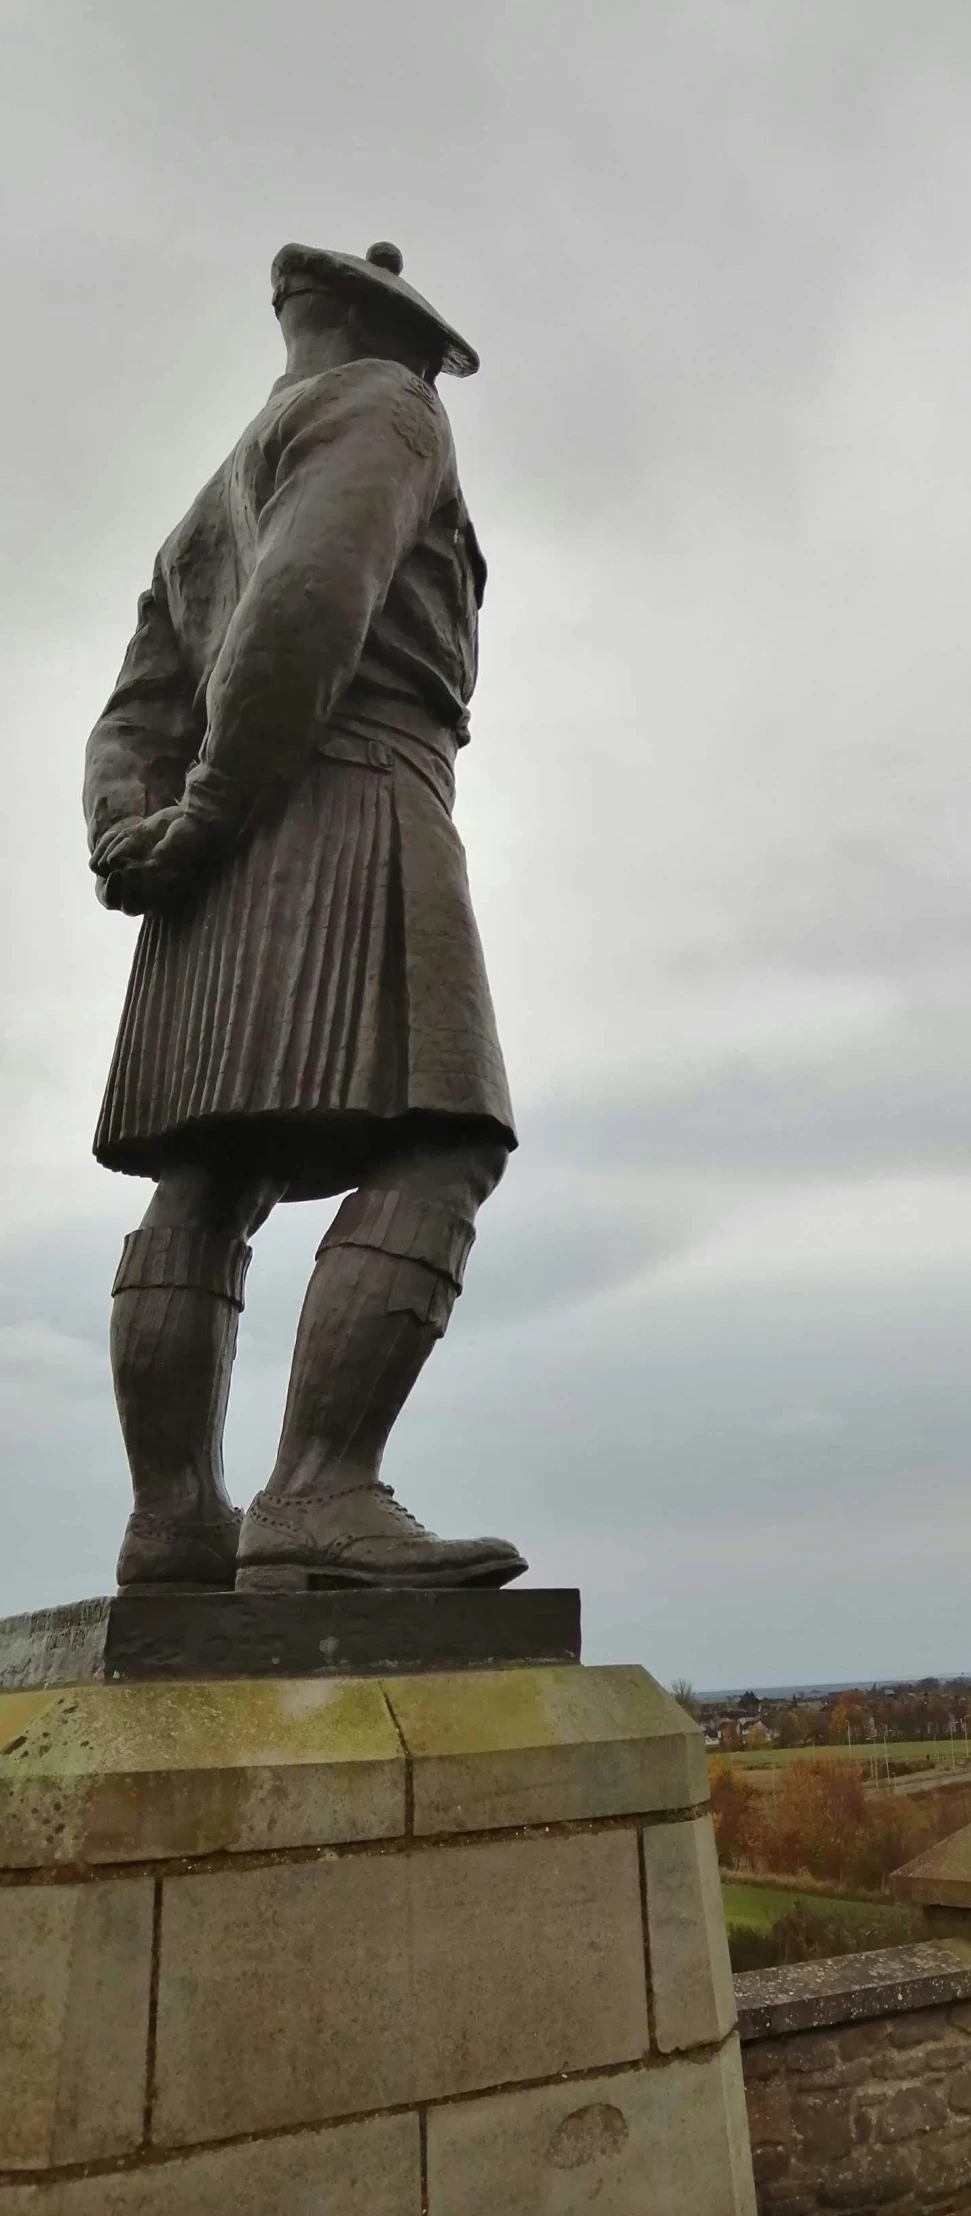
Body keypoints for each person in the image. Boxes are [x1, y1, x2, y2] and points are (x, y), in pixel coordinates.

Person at [83, 241, 526, 1594]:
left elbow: (133, 710)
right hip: (354, 790)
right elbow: (310, 603)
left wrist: (136, 833)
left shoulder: (206, 501)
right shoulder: (387, 405)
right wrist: (212, 811)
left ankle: (172, 1522)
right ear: (381, 328)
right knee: (446, 1136)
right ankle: (320, 1489)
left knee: (209, 1175)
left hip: (213, 849)